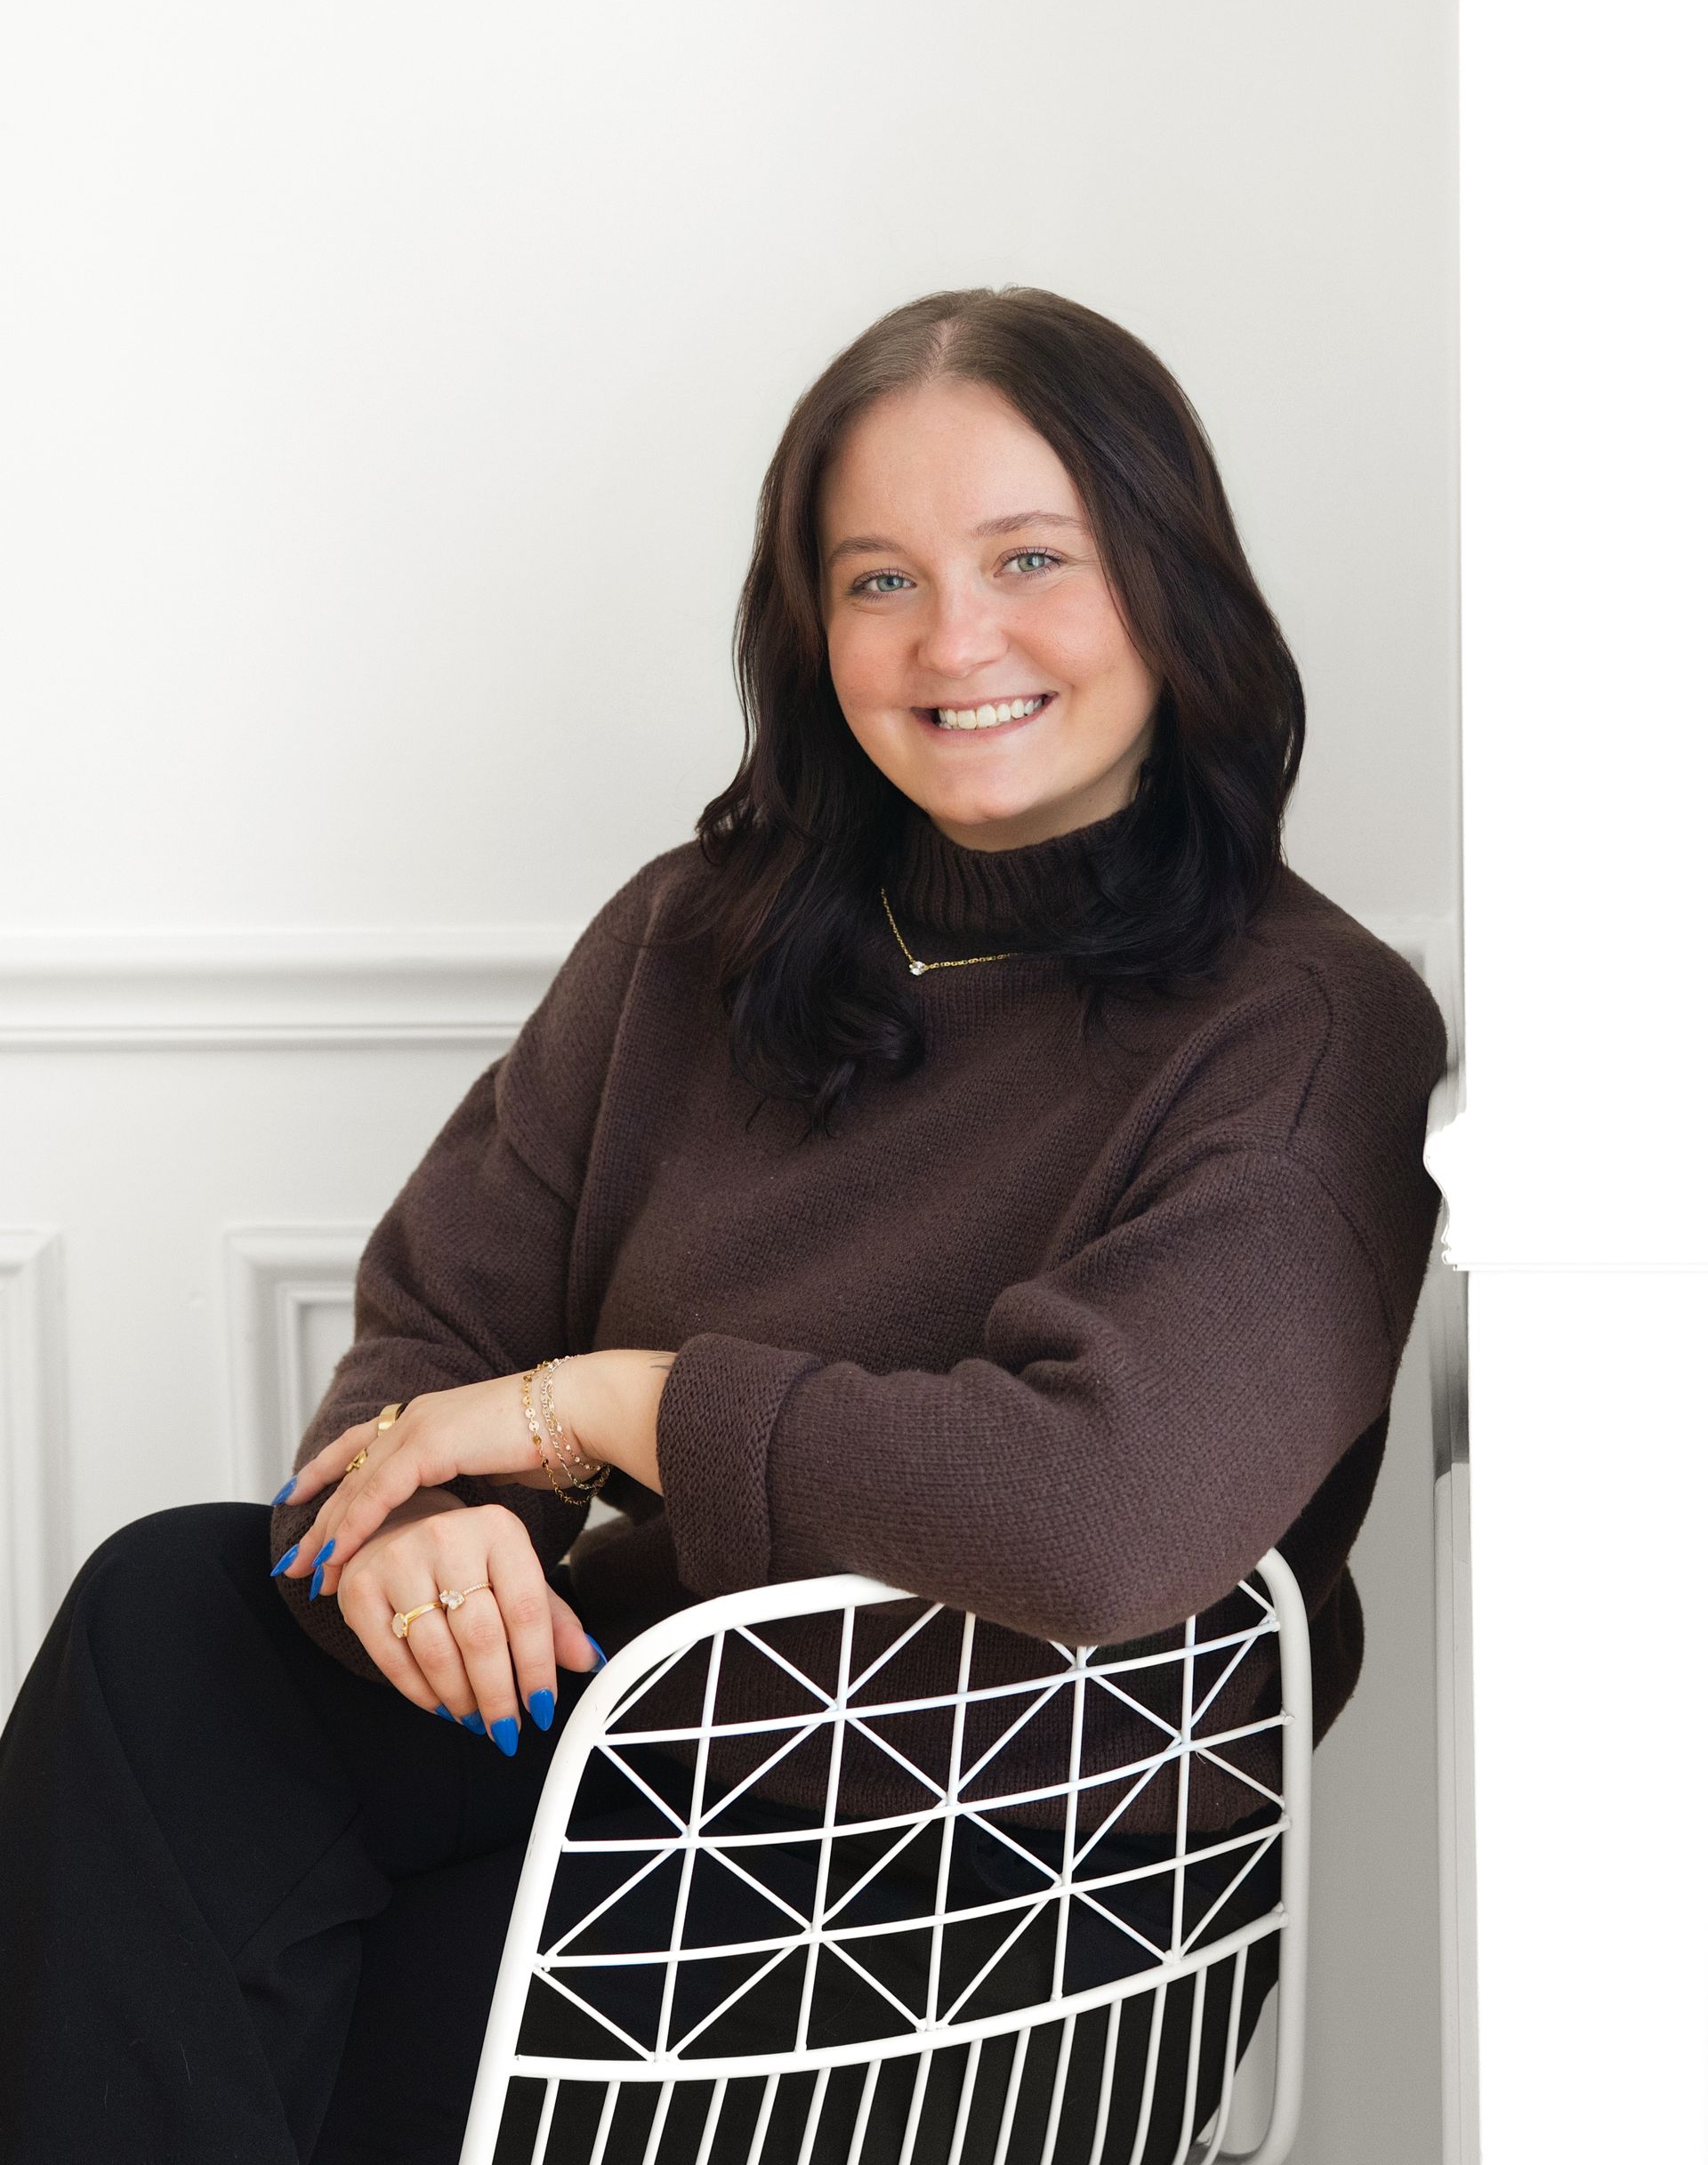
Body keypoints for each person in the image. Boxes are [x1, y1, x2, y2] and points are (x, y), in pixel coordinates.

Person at [0, 286, 1446, 2164]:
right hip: (618, 1778)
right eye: (877, 581)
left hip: (994, 1909)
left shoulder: (1306, 1021)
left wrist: (608, 1412)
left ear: (1173, 585)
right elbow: (441, 1323)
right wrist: (438, 1523)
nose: (956, 641)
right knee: (171, 1621)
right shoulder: (700, 936)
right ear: (809, 625)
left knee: (257, 1990)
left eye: (1031, 559)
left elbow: (1106, 1513)